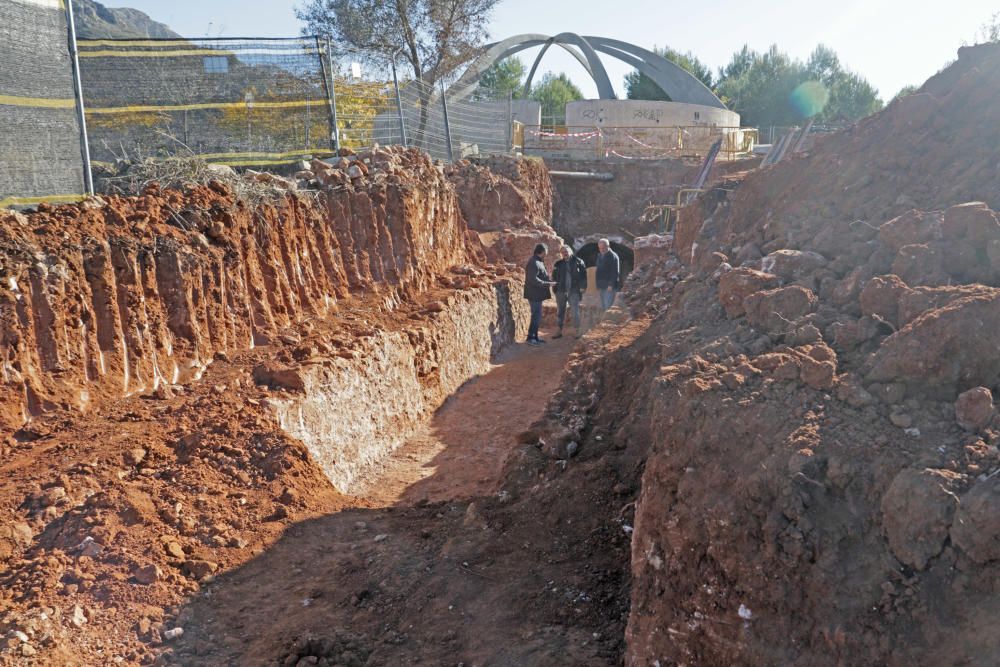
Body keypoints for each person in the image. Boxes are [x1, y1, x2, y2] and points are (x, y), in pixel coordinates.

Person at [551, 244, 587, 338]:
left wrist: (583, 287)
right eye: (563, 252)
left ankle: (577, 330)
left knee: (575, 311)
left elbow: (584, 276)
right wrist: (555, 289)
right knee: (560, 311)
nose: (565, 253)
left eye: (566, 251)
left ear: (570, 251)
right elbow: (554, 277)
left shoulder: (579, 262)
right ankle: (559, 330)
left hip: (574, 290)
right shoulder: (558, 264)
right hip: (561, 291)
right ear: (561, 254)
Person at [523, 243, 555, 346]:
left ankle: (535, 337)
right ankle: (531, 338)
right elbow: (533, 279)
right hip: (534, 294)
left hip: (537, 294)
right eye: (546, 251)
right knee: (535, 316)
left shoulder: (538, 261)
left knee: (537, 316)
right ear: (542, 251)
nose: (547, 253)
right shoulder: (534, 262)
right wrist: (548, 284)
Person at [595, 238, 621, 311]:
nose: (602, 250)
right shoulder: (600, 255)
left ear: (608, 246)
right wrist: (597, 285)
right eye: (600, 248)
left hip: (609, 287)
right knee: (603, 307)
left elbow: (615, 272)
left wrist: (611, 285)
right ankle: (604, 322)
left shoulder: (613, 256)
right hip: (601, 285)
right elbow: (598, 270)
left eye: (603, 248)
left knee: (608, 307)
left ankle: (608, 322)